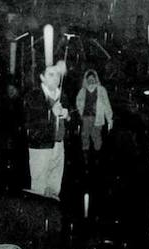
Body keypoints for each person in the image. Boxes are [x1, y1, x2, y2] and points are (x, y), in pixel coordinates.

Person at [24, 63, 70, 199]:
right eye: (51, 74)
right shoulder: (33, 96)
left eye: (57, 75)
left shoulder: (63, 96)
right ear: (42, 77)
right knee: (39, 189)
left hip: (59, 146)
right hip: (41, 148)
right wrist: (51, 113)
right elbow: (30, 124)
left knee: (55, 187)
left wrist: (68, 116)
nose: (55, 78)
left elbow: (73, 119)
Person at [75, 69, 114, 172]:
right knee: (85, 138)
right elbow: (78, 102)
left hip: (97, 118)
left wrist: (109, 119)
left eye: (93, 79)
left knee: (97, 138)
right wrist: (81, 112)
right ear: (86, 80)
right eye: (89, 79)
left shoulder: (101, 90)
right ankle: (86, 160)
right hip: (86, 118)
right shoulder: (82, 91)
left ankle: (97, 159)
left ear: (96, 79)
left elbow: (107, 104)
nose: (91, 81)